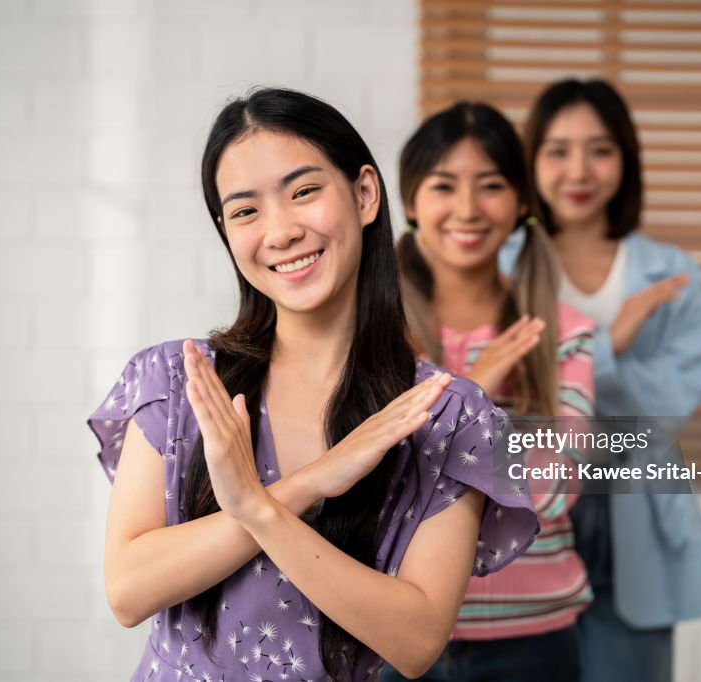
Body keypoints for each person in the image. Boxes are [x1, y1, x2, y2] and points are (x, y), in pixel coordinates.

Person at [87, 88, 540, 682]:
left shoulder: (444, 415)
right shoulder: (178, 381)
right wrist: (308, 486)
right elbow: (128, 591)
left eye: (303, 192)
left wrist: (258, 509)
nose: (280, 231)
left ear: (364, 194)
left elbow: (417, 639)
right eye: (246, 211)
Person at [501, 78, 701, 681]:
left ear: (625, 161)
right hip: (530, 499)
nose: (578, 169)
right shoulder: (498, 266)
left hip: (633, 504)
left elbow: (660, 413)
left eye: (600, 149)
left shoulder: (670, 273)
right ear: (531, 162)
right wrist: (614, 342)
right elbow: (493, 399)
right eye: (557, 150)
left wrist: (589, 356)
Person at [381, 101, 594, 682]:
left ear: (523, 201)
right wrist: (477, 395)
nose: (468, 209)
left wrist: (439, 422)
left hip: (534, 638)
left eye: (492, 185)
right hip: (392, 632)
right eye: (444, 185)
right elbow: (365, 487)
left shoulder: (564, 332)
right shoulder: (369, 332)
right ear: (409, 202)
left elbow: (556, 487)